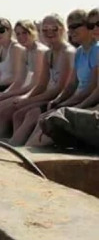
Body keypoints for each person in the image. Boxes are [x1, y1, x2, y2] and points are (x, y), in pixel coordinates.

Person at [26, 9, 99, 147]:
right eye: (70, 27)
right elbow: (72, 85)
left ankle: (26, 153)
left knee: (51, 120)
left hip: (87, 104)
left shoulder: (96, 50)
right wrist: (59, 101)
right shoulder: (79, 51)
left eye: (76, 26)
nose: (72, 31)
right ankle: (21, 151)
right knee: (41, 117)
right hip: (81, 101)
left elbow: (92, 89)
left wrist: (71, 106)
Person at [9, 14, 75, 145]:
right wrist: (26, 98)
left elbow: (61, 88)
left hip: (63, 98)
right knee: (18, 113)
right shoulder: (48, 53)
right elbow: (41, 84)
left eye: (54, 29)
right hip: (51, 96)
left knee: (32, 114)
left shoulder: (68, 52)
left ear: (62, 29)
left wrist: (30, 101)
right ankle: (15, 146)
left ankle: (20, 147)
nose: (49, 33)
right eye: (45, 30)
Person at [0, 20, 47, 135]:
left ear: (33, 32)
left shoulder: (39, 51)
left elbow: (36, 84)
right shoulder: (26, 51)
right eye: (18, 34)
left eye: (25, 33)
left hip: (41, 92)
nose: (21, 37)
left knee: (0, 108)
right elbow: (19, 80)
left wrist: (14, 96)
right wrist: (4, 94)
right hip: (30, 90)